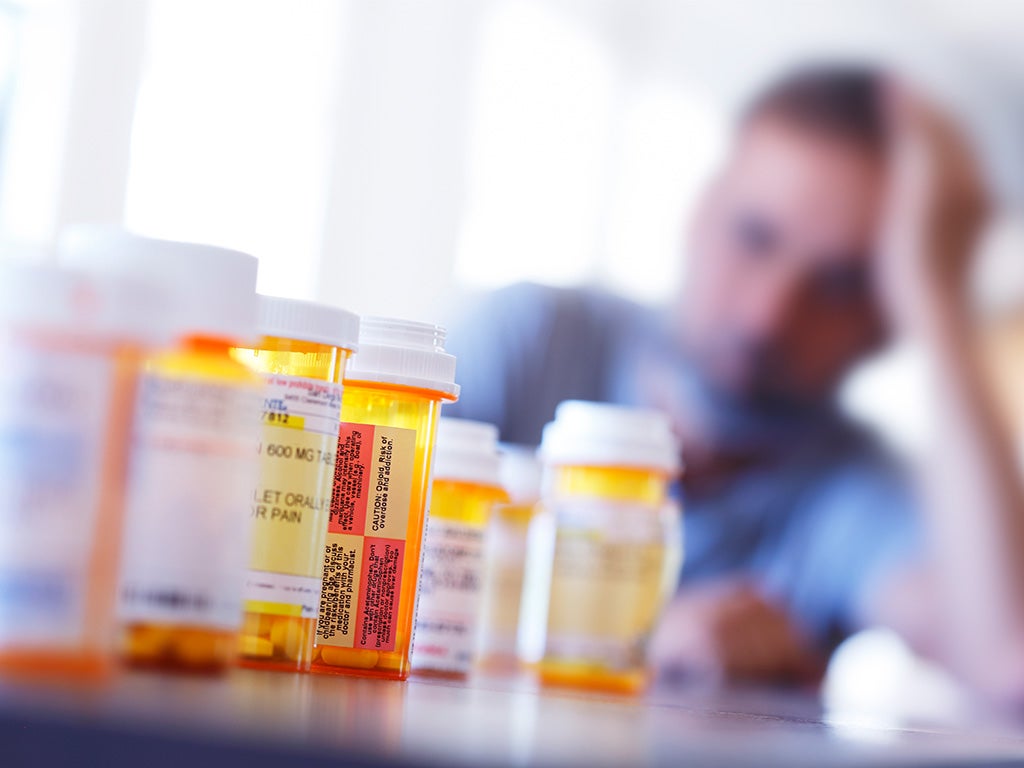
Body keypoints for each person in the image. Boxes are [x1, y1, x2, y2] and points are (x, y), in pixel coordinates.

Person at [446, 64, 1024, 700]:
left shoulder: (851, 490)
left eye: (839, 284)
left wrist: (938, 302)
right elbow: (354, 555)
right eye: (754, 237)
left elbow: (1009, 661)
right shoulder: (533, 340)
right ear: (699, 212)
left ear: (886, 322)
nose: (767, 317)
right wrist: (635, 641)